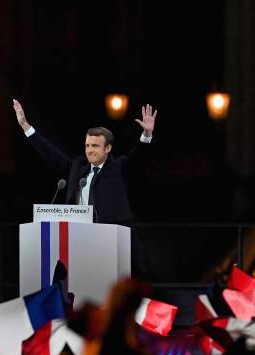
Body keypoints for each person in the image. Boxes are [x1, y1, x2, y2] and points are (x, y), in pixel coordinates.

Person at [12, 99, 156, 275]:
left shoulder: (117, 168)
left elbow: (138, 157)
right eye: (87, 145)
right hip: (79, 242)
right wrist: (25, 125)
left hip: (112, 243)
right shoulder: (77, 168)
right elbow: (48, 152)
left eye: (95, 146)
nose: (89, 150)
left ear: (108, 148)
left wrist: (146, 135)